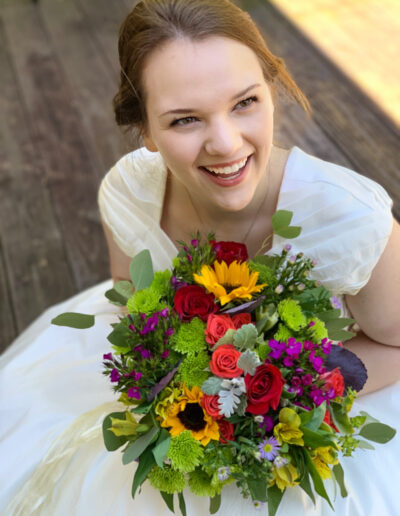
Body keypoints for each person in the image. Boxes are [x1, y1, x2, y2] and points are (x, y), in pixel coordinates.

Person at [1, 1, 399, 514]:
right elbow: (130, 296)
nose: (226, 143)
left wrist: (282, 394)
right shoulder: (129, 195)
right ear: (144, 128)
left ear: (272, 92)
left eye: (245, 103)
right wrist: (180, 379)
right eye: (184, 119)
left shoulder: (347, 218)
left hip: (318, 411)